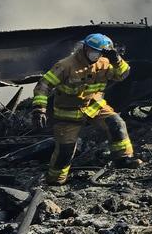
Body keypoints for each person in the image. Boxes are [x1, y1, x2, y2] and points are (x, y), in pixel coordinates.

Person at [31, 33, 138, 185]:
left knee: (117, 124)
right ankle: (56, 180)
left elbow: (122, 75)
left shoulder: (104, 63)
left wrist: (117, 60)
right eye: (93, 51)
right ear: (85, 48)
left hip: (94, 106)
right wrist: (39, 109)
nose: (96, 55)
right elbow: (43, 86)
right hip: (68, 112)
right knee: (65, 151)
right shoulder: (65, 65)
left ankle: (123, 160)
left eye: (100, 53)